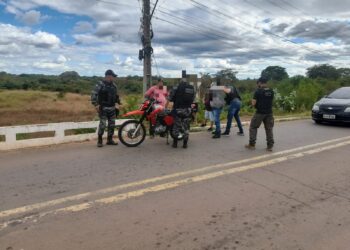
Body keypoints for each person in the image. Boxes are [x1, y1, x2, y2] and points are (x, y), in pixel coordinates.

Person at [91, 69, 120, 147]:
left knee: (112, 125)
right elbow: (94, 94)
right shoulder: (100, 84)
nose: (113, 78)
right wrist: (96, 104)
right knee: (102, 125)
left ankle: (109, 140)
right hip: (103, 108)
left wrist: (118, 103)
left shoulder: (114, 85)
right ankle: (100, 141)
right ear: (108, 76)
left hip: (112, 108)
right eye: (113, 76)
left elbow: (116, 96)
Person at [245, 77, 274, 151]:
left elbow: (253, 103)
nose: (258, 85)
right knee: (269, 129)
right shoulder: (271, 91)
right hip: (269, 113)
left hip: (260, 113)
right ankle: (270, 146)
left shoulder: (258, 91)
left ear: (260, 83)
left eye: (258, 83)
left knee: (253, 127)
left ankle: (252, 144)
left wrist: (252, 104)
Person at [167, 75, 195, 148]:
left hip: (178, 109)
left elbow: (170, 98)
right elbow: (193, 99)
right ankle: (185, 144)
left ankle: (175, 143)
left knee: (176, 126)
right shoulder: (191, 87)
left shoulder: (176, 87)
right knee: (186, 127)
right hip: (187, 110)